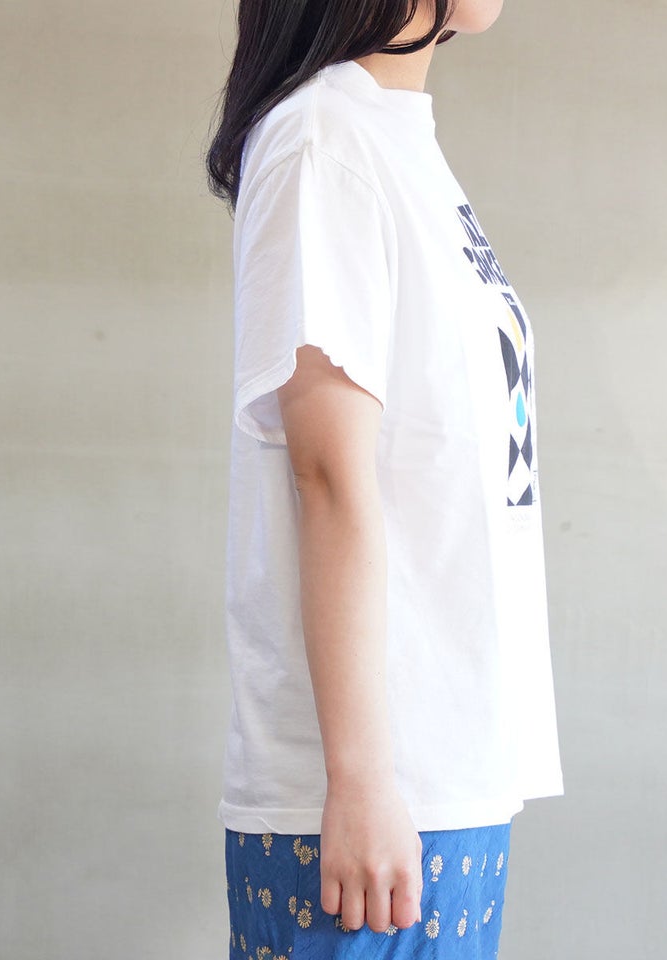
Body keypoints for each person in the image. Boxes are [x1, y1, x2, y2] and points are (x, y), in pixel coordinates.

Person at [206, 1, 564, 957]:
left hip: (448, 772)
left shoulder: (395, 139)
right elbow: (326, 472)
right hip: (373, 790)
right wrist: (362, 781)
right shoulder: (322, 139)